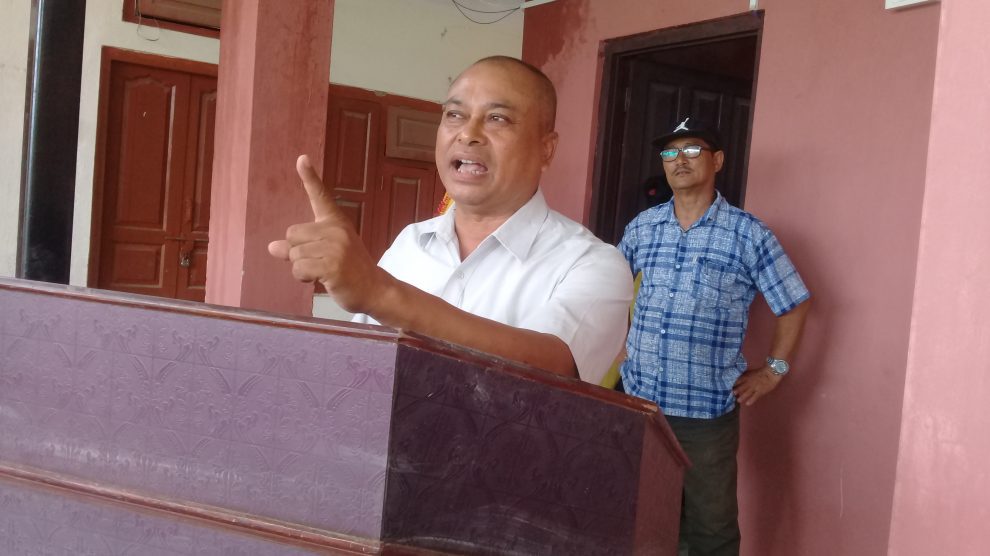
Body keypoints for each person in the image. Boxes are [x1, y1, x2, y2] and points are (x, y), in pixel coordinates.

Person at [268, 56, 633, 383]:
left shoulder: (592, 264)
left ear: (546, 149)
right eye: (455, 115)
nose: (468, 134)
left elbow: (548, 370)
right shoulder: (411, 242)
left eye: (497, 118)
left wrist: (380, 294)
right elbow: (360, 361)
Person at [618, 118, 811, 555]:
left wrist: (774, 370)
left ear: (717, 160)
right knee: (643, 517)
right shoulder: (643, 227)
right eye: (670, 152)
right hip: (641, 403)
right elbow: (609, 290)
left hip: (704, 414)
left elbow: (795, 302)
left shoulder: (748, 235)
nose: (679, 160)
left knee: (711, 530)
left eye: (691, 149)